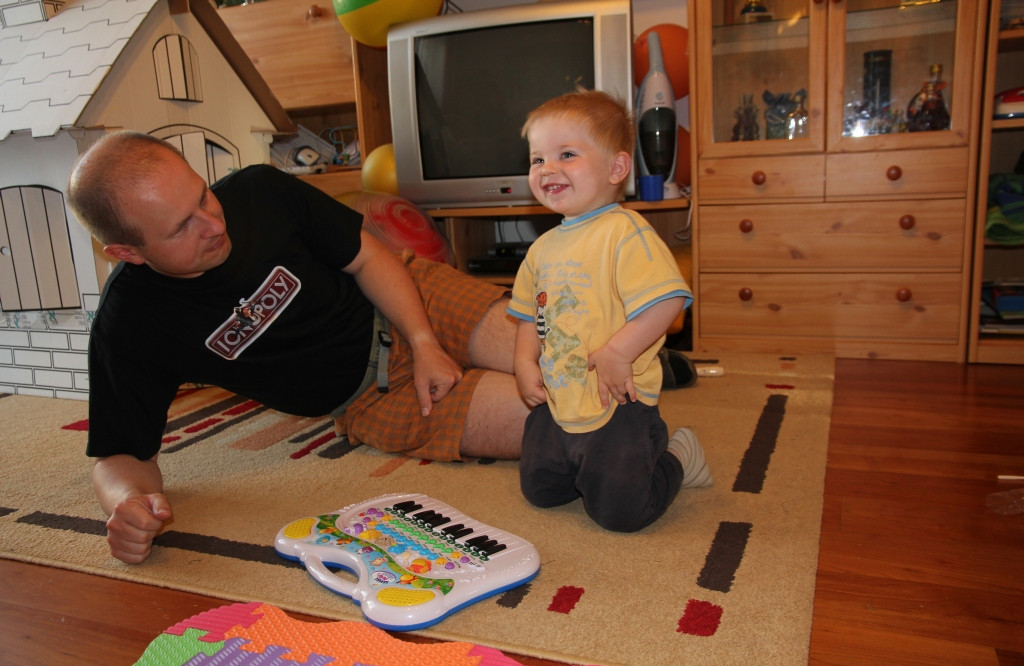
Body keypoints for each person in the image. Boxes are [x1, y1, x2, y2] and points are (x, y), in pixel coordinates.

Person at [67, 131, 529, 564]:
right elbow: (119, 455)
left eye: (203, 195)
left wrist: (423, 341)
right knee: (546, 416)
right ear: (128, 252)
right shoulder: (129, 323)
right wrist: (129, 503)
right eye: (181, 227)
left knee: (556, 360)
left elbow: (367, 257)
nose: (212, 224)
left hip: (408, 297)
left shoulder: (260, 191)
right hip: (371, 398)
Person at [507, 90, 712, 533]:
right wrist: (524, 362)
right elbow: (528, 314)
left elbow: (668, 299)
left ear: (616, 168)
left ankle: (678, 456)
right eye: (538, 159)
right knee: (541, 491)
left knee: (622, 513)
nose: (547, 169)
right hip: (559, 396)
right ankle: (581, 467)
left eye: (566, 154)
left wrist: (619, 351)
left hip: (618, 398)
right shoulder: (542, 248)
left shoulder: (625, 231)